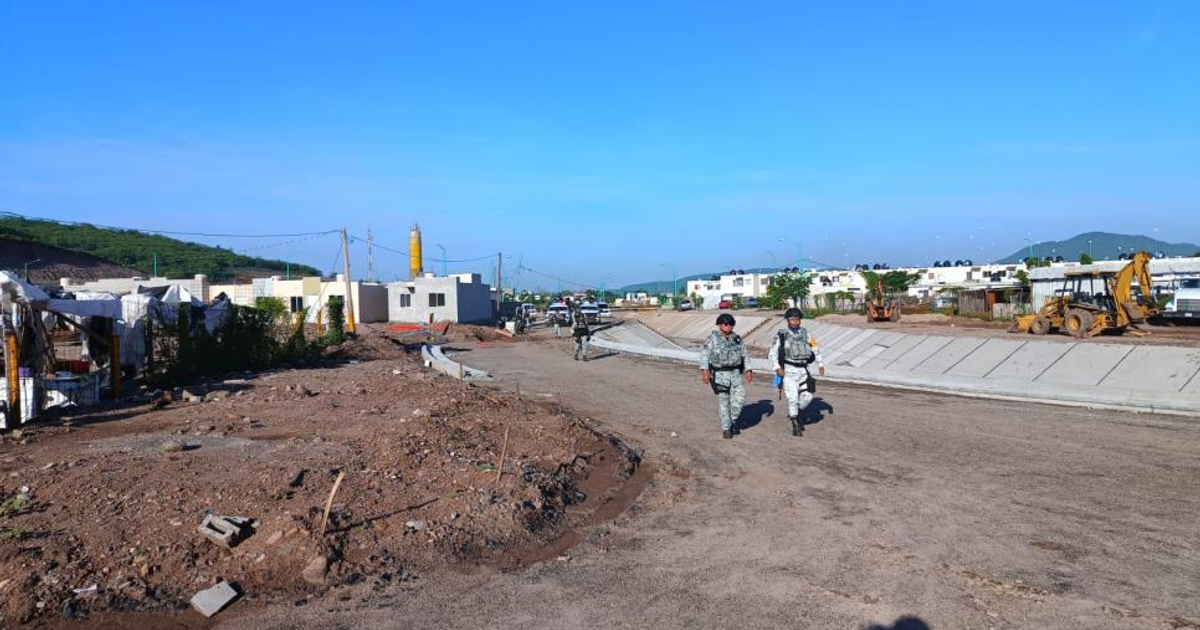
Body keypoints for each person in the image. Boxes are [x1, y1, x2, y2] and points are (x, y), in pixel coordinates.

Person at [769, 308, 825, 436]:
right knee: (793, 398)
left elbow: (815, 348)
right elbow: (773, 353)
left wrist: (820, 363)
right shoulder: (781, 335)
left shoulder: (807, 333)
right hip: (789, 371)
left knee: (808, 396)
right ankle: (795, 424)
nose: (795, 322)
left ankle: (795, 413)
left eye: (797, 319)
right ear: (788, 320)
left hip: (804, 370)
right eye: (792, 319)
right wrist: (777, 368)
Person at [700, 313, 753, 439]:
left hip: (735, 373)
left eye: (731, 324)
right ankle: (726, 428)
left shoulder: (737, 339)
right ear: (719, 325)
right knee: (724, 402)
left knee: (740, 399)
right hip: (720, 374)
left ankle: (732, 420)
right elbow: (704, 355)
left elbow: (745, 354)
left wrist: (749, 369)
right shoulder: (712, 339)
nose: (729, 327)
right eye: (726, 324)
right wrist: (705, 371)